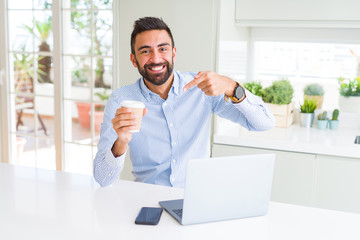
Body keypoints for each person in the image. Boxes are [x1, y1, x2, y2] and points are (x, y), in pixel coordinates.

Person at [94, 17, 275, 187]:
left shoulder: (201, 89)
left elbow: (264, 123)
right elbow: (103, 179)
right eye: (146, 51)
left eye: (163, 49)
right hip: (148, 199)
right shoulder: (121, 100)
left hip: (197, 196)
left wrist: (231, 86)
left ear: (173, 53)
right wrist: (121, 142)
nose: (156, 58)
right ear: (134, 60)